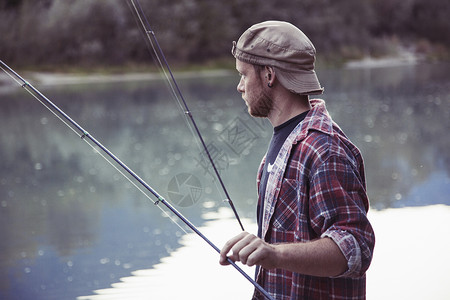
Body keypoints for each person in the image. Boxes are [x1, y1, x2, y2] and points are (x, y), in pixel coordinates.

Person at [219, 21, 375, 300]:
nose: (239, 87)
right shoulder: (283, 143)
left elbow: (355, 247)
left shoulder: (324, 148)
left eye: (244, 75)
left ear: (269, 75)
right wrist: (267, 254)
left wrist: (275, 254)